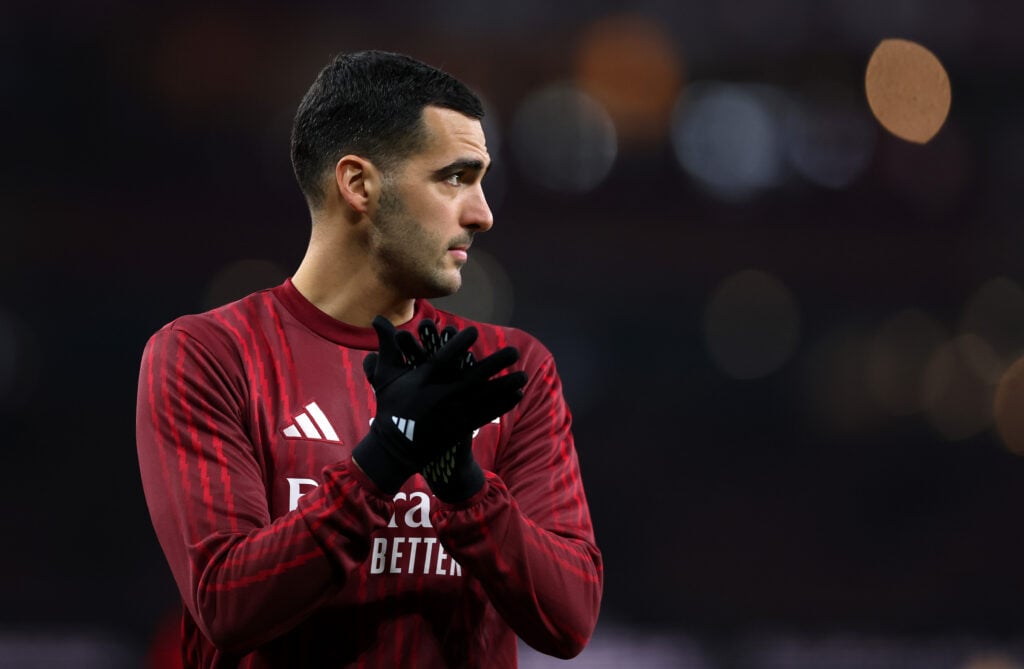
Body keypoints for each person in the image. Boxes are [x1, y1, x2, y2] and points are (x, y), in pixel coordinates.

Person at [135, 49, 603, 668]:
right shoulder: (210, 355)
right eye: (455, 178)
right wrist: (383, 461)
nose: (482, 214)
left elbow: (568, 621)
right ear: (358, 184)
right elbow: (228, 606)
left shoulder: (509, 367)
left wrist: (466, 490)